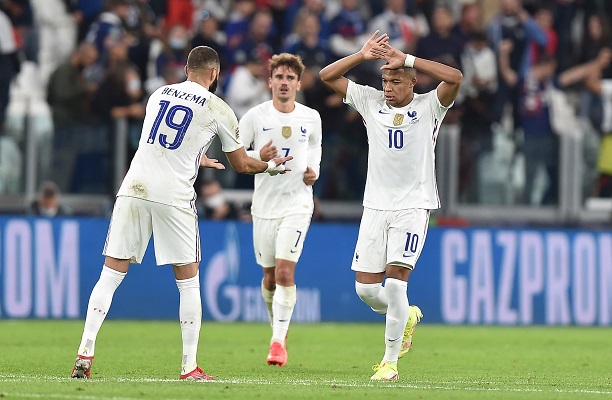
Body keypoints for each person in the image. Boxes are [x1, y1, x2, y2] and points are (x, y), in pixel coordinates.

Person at [70, 46, 292, 382]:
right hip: (173, 196)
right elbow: (243, 163)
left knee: (111, 274)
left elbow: (164, 141)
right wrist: (272, 166)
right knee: (188, 282)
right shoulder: (219, 108)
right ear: (215, 74)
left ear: (187, 69)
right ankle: (189, 367)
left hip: (134, 187)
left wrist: (195, 157)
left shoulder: (158, 94)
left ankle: (85, 352)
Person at [319, 31, 462, 380]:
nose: (388, 86)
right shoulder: (370, 102)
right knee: (367, 289)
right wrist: (361, 54)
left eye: (396, 80)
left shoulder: (430, 106)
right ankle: (407, 316)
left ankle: (390, 362)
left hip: (414, 206)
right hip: (375, 207)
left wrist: (408, 58)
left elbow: (455, 77)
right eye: (384, 79)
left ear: (413, 83)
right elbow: (327, 76)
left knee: (396, 284)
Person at [239, 53, 322, 367]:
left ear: (298, 84)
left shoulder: (311, 117)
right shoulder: (255, 118)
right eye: (279, 77)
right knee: (270, 278)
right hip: (264, 207)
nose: (284, 83)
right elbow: (237, 155)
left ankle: (277, 342)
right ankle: (279, 327)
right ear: (269, 82)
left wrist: (313, 169)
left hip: (298, 204)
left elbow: (315, 146)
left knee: (287, 273)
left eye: (290, 78)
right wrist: (258, 155)